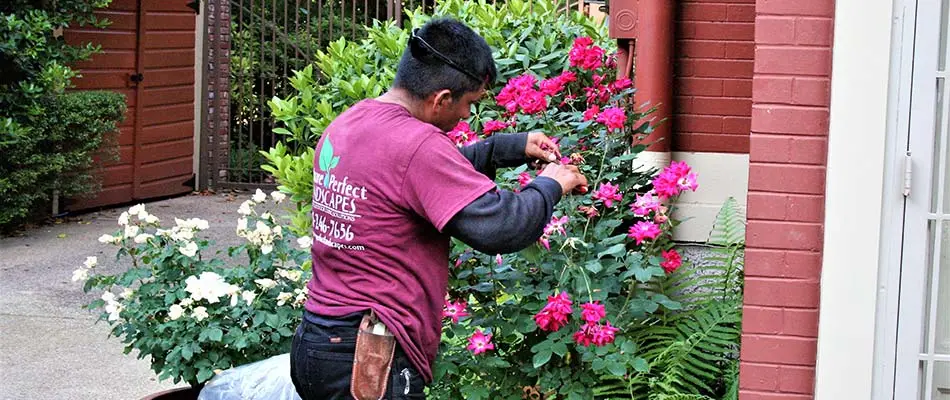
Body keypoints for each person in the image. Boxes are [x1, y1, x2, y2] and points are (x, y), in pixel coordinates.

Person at [289, 17, 589, 400]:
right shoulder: (417, 145)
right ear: (442, 99)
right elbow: (501, 226)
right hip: (368, 357)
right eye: (468, 104)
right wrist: (553, 183)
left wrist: (506, 147)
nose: (466, 116)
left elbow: (412, 180)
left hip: (318, 342)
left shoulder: (354, 121)